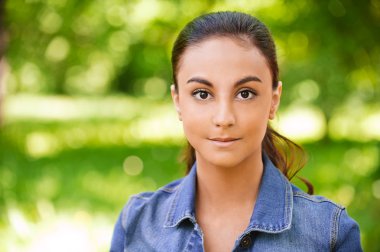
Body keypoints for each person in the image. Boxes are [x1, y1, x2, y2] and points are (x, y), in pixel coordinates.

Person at [110, 11, 362, 251]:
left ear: (273, 100)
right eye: (202, 94)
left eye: (245, 93)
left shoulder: (330, 231)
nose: (224, 118)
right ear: (178, 101)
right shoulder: (137, 222)